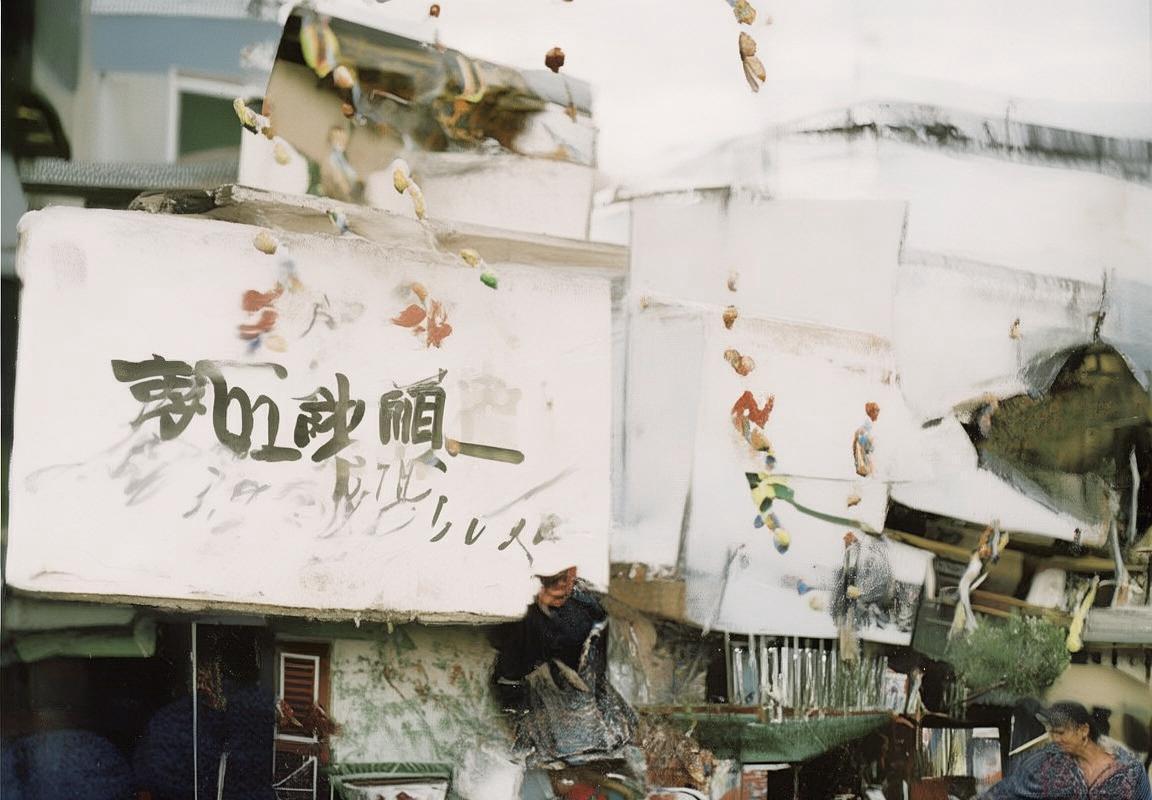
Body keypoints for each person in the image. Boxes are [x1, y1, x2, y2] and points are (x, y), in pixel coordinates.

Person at [489, 562, 638, 770]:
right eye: (550, 581)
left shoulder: (587, 608)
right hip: (544, 724)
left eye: (566, 577)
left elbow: (603, 667)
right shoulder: (516, 618)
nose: (562, 585)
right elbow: (507, 677)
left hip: (590, 722)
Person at [980, 701, 1150, 800]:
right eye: (1052, 732)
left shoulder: (1130, 771)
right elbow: (1006, 791)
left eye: (1061, 733)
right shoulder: (1048, 762)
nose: (1055, 738)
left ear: (1083, 730)